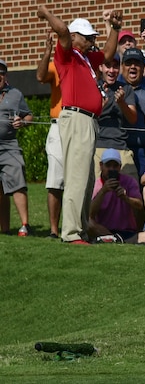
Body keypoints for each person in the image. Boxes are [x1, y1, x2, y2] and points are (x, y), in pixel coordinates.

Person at [37, 5, 119, 244]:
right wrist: (45, 12)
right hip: (77, 117)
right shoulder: (67, 54)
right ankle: (71, 233)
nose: (92, 41)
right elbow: (62, 30)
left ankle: (80, 230)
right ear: (74, 37)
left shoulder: (84, 58)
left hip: (89, 121)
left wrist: (115, 28)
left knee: (86, 178)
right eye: (88, 37)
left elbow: (107, 54)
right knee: (76, 177)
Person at [0, 58, 33, 236]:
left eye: (2, 72)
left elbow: (29, 115)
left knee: (17, 178)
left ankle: (25, 225)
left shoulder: (15, 94)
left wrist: (23, 122)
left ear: (5, 76)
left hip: (9, 145)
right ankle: (4, 229)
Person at [35, 32, 63, 239]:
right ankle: (54, 230)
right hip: (59, 125)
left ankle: (74, 227)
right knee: (55, 179)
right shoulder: (57, 65)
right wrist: (47, 52)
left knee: (78, 180)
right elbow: (40, 76)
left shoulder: (83, 64)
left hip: (81, 125)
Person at [94, 54, 138, 179]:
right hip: (98, 145)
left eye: (115, 66)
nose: (112, 71)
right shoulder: (94, 87)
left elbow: (133, 119)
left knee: (132, 185)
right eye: (108, 66)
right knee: (94, 189)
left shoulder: (126, 89)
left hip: (120, 146)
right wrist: (100, 106)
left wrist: (121, 103)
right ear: (101, 67)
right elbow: (86, 120)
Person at [119, 47, 145, 177]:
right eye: (128, 63)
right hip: (123, 151)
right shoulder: (115, 88)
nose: (133, 67)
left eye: (137, 63)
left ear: (144, 67)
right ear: (122, 67)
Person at [89, 148, 143, 243]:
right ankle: (113, 238)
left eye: (115, 166)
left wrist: (126, 198)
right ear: (101, 166)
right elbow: (90, 214)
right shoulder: (96, 184)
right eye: (108, 166)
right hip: (103, 230)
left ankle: (115, 240)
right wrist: (103, 191)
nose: (111, 169)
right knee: (88, 223)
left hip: (127, 231)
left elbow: (140, 205)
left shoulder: (129, 182)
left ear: (120, 167)